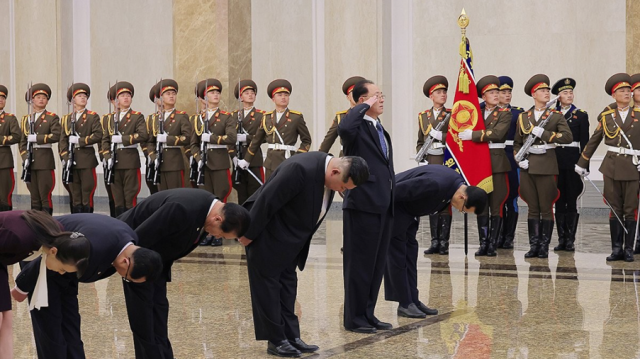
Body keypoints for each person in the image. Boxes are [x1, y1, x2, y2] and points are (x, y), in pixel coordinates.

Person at [239, 152, 369, 357]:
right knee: (268, 290)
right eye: (343, 187)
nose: (342, 192)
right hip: (266, 236)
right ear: (335, 171)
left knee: (288, 288)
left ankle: (291, 336)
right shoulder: (299, 169)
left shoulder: (327, 172)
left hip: (289, 241)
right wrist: (248, 233)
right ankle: (276, 340)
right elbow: (267, 200)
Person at [117, 188, 251, 359]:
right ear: (218, 219)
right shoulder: (181, 208)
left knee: (159, 310)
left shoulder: (207, 209)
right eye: (222, 233)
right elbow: (138, 239)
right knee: (143, 317)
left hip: (157, 260)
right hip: (138, 260)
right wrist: (136, 272)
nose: (217, 236)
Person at [12, 211, 161, 359]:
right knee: (50, 329)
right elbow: (53, 255)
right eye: (127, 278)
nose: (124, 278)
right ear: (125, 262)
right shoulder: (93, 246)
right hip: (47, 265)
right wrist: (22, 286)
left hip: (67, 273)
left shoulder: (130, 242)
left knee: (71, 324)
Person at [385, 165, 487, 318]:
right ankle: (405, 303)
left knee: (410, 256)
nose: (460, 210)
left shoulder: (455, 184)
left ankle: (413, 299)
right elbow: (396, 190)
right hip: (396, 211)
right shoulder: (435, 184)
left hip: (409, 213)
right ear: (462, 197)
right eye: (463, 209)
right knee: (398, 257)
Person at [339, 79, 395, 333]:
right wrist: (360, 107)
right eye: (375, 96)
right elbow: (345, 126)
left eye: (381, 95)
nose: (381, 99)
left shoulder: (377, 126)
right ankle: (354, 318)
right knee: (359, 266)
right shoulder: (355, 126)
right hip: (362, 204)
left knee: (375, 265)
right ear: (362, 101)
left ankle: (368, 313)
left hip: (383, 204)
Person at [0, 210, 90, 359]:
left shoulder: (58, 235)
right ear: (53, 252)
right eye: (62, 269)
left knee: (6, 319)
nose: (61, 273)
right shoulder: (18, 237)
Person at [576, 73, 638, 262]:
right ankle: (616, 248)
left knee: (630, 208)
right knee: (614, 207)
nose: (627, 93)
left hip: (633, 167)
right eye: (622, 91)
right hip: (611, 167)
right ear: (614, 95)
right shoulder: (607, 116)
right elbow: (594, 140)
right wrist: (582, 162)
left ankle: (629, 249)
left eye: (628, 90)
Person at [514, 74, 572, 259]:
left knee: (546, 207)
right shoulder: (524, 117)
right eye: (542, 90)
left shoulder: (555, 116)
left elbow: (567, 137)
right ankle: (534, 246)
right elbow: (517, 142)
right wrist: (518, 159)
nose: (547, 93)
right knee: (532, 207)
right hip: (528, 166)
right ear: (534, 94)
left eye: (548, 90)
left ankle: (544, 247)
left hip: (546, 164)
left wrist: (546, 134)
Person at [458, 75, 511, 256]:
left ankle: (492, 244)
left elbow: (497, 133)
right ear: (483, 95)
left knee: (496, 205)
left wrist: (473, 135)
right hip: (479, 163)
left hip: (496, 162)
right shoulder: (476, 113)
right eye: (491, 92)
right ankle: (483, 243)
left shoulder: (505, 113)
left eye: (497, 92)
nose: (496, 95)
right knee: (482, 205)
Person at [191, 78, 236, 246]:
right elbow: (193, 144)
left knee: (220, 198)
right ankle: (207, 233)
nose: (216, 95)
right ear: (204, 97)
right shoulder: (197, 119)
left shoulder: (226, 117)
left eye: (217, 92)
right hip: (204, 164)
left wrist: (212, 138)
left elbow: (231, 138)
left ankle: (220, 233)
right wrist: (198, 158)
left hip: (219, 162)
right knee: (206, 201)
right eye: (212, 92)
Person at [239, 79, 312, 179]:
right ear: (273, 99)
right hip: (270, 162)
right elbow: (257, 140)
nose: (283, 98)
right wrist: (247, 159)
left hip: (288, 160)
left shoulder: (296, 117)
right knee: (271, 192)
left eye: (286, 95)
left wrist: (297, 157)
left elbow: (306, 140)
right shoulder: (267, 117)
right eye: (280, 95)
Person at [551, 78, 589, 251]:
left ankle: (570, 240)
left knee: (572, 200)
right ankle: (561, 239)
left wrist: (584, 165)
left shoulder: (580, 115)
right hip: (555, 161)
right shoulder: (551, 114)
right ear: (558, 96)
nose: (569, 95)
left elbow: (585, 143)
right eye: (565, 93)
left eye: (571, 92)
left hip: (573, 161)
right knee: (558, 199)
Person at [417, 75, 453, 255]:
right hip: (430, 158)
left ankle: (444, 242)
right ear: (431, 96)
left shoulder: (452, 114)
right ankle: (434, 240)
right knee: (432, 198)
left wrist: (442, 137)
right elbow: (420, 139)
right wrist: (420, 155)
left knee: (445, 200)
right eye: (439, 92)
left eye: (445, 92)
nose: (443, 95)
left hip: (445, 158)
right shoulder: (423, 116)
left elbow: (456, 139)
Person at [101, 81, 148, 216]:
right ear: (116, 100)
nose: (126, 98)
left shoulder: (136, 116)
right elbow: (105, 139)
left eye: (128, 95)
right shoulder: (110, 119)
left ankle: (130, 225)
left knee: (130, 197)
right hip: (114, 162)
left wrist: (123, 139)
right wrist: (107, 156)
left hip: (129, 160)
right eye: (122, 96)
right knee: (118, 199)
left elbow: (143, 135)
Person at [59, 83, 102, 214]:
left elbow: (98, 135)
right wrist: (65, 157)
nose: (83, 98)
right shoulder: (66, 119)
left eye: (85, 96)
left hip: (86, 158)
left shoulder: (92, 116)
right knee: (75, 194)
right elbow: (62, 140)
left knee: (87, 192)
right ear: (72, 100)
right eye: (79, 96)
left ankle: (88, 221)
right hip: (71, 159)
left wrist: (80, 140)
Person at [20, 83, 61, 215]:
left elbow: (56, 135)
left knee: (45, 195)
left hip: (44, 160)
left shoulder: (51, 117)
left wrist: (37, 138)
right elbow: (22, 141)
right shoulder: (26, 119)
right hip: (30, 161)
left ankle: (47, 224)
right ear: (32, 100)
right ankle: (35, 224)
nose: (41, 99)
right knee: (34, 196)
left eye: (44, 97)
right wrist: (25, 157)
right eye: (38, 97)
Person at [147, 79, 192, 191]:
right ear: (161, 98)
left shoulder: (181, 116)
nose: (171, 96)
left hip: (174, 162)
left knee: (176, 194)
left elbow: (187, 138)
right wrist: (153, 156)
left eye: (173, 94)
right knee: (162, 195)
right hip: (159, 162)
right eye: (168, 94)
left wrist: (167, 139)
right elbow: (150, 141)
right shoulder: (155, 118)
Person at [496, 76, 524, 249]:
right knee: (496, 199)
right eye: (503, 92)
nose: (507, 95)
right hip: (494, 158)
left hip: (512, 158)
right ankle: (497, 235)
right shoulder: (484, 110)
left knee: (511, 198)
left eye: (509, 92)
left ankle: (508, 237)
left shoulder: (518, 113)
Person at [229, 79, 266, 205]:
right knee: (242, 192)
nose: (250, 95)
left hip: (254, 158)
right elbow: (229, 138)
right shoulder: (233, 116)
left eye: (252, 92)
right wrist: (233, 156)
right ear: (240, 97)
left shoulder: (262, 115)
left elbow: (265, 137)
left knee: (255, 191)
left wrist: (247, 138)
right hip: (238, 159)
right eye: (246, 93)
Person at [318, 76, 365, 155]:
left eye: (360, 92)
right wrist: (317, 160)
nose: (357, 95)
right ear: (348, 97)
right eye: (354, 92)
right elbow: (328, 141)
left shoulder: (370, 114)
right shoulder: (341, 117)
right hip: (346, 158)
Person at [0, 85, 20, 212]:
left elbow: (16, 136)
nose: (1, 100)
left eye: (3, 98)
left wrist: (2, 140)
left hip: (4, 160)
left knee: (4, 194)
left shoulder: (10, 118)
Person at [143, 83, 160, 195]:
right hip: (153, 160)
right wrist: (151, 155)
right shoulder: (151, 119)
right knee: (154, 191)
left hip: (170, 159)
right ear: (155, 100)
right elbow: (145, 140)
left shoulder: (179, 116)